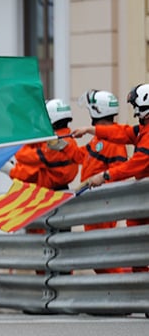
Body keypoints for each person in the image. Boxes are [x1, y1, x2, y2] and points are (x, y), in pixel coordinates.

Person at [72, 83, 149, 272]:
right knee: (137, 258)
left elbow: (135, 165)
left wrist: (105, 175)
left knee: (111, 259)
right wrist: (90, 130)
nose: (133, 110)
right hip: (140, 205)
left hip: (139, 203)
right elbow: (121, 132)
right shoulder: (142, 130)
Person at [8, 99, 80, 191]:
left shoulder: (56, 146)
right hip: (57, 190)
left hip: (49, 193)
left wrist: (9, 168)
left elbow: (26, 157)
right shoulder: (67, 140)